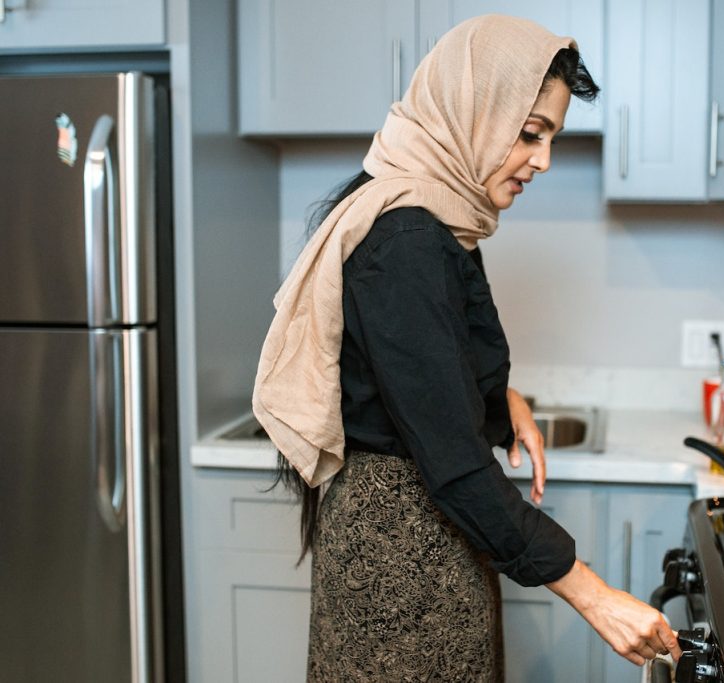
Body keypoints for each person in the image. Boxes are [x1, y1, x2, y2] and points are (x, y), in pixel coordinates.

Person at [252, 14, 682, 681]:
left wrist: (504, 399)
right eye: (531, 133)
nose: (542, 160)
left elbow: (417, 374)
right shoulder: (407, 243)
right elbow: (454, 464)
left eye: (552, 138)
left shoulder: (438, 219)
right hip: (400, 565)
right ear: (473, 112)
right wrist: (595, 596)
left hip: (423, 547)